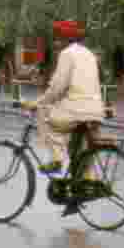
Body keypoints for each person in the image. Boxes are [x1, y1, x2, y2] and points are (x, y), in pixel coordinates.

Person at [21, 25, 104, 177]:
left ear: (65, 39)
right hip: (96, 109)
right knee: (78, 142)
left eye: (57, 39)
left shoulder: (67, 54)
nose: (55, 44)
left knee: (44, 113)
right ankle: (87, 176)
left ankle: (56, 159)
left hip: (78, 109)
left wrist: (38, 102)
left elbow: (57, 87)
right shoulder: (89, 54)